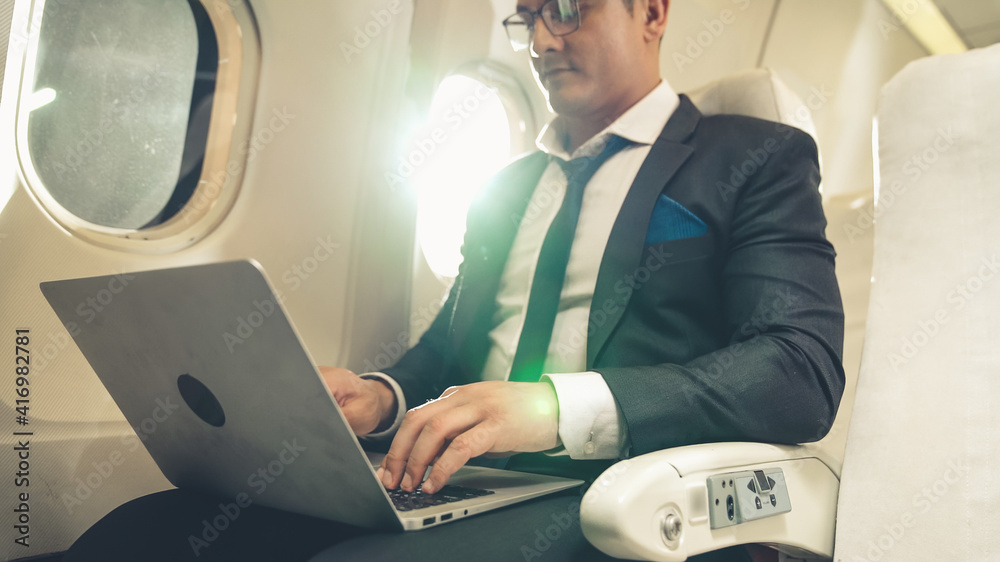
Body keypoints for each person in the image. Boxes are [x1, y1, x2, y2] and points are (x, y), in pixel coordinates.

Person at [64, 0, 843, 560]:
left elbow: (798, 371)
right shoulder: (504, 189)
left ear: (653, 11)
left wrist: (554, 407)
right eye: (525, 16)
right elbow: (447, 354)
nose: (539, 39)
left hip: (617, 490)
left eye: (565, 10)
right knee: (147, 530)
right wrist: (381, 396)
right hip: (459, 479)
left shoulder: (751, 158)